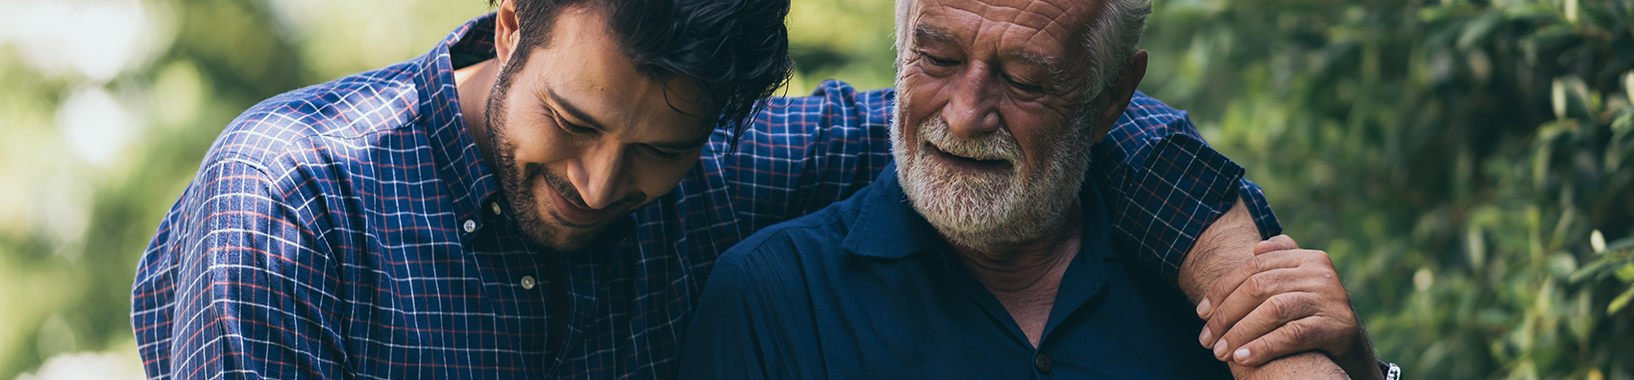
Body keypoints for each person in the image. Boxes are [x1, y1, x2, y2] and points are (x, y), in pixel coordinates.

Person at [129, 0, 1380, 378]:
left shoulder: (715, 172)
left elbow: (1052, 125)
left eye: (661, 149)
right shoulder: (292, 201)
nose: (601, 183)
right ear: (509, 20)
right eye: (571, 120)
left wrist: (1238, 277)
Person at [678, 0, 1391, 377]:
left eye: (1024, 80)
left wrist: (1360, 373)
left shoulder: (1206, 289)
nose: (963, 114)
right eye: (936, 58)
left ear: (1113, 96)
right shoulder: (772, 297)